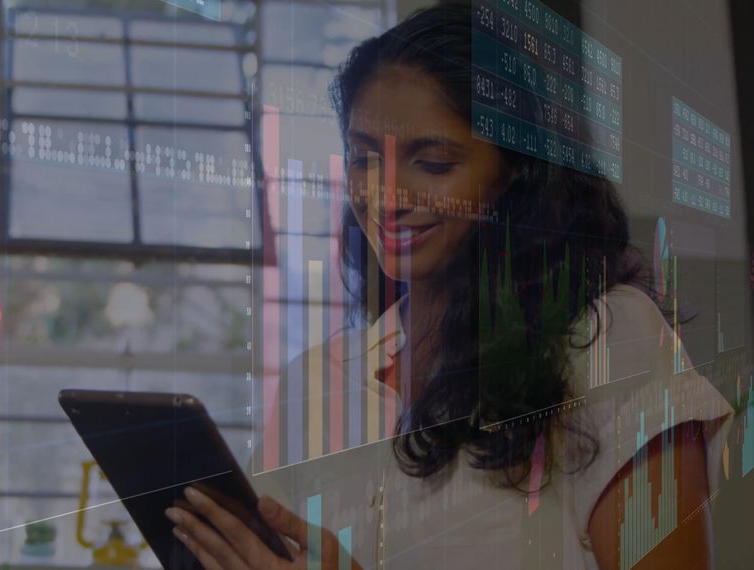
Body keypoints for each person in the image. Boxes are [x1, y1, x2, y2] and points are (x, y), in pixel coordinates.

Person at [163, 5, 733, 569]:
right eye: (364, 159)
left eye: (432, 164)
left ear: (517, 173)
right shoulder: (315, 385)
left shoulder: (611, 343)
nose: (385, 197)